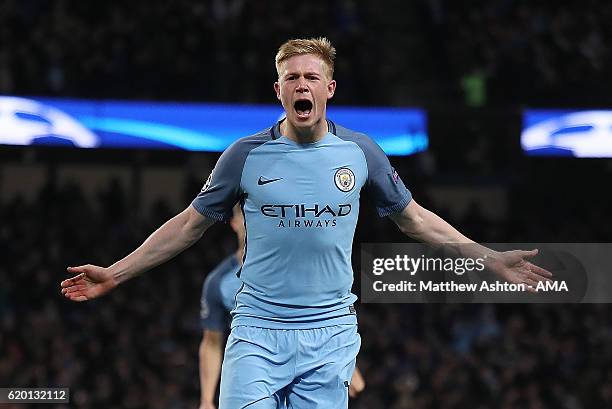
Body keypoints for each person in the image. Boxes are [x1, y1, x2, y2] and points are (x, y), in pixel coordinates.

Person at [61, 37, 551, 409]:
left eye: (311, 78)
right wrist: (117, 272)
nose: (301, 85)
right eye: (291, 78)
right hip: (257, 330)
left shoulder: (360, 153)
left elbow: (416, 220)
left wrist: (489, 259)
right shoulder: (244, 155)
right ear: (278, 91)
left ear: (329, 89)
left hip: (330, 333)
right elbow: (189, 224)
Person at [198, 206, 364, 409]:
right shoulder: (219, 282)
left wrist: (344, 365)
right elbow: (212, 342)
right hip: (255, 371)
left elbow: (321, 319)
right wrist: (206, 400)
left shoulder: (296, 268)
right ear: (234, 223)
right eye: (246, 215)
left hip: (308, 366)